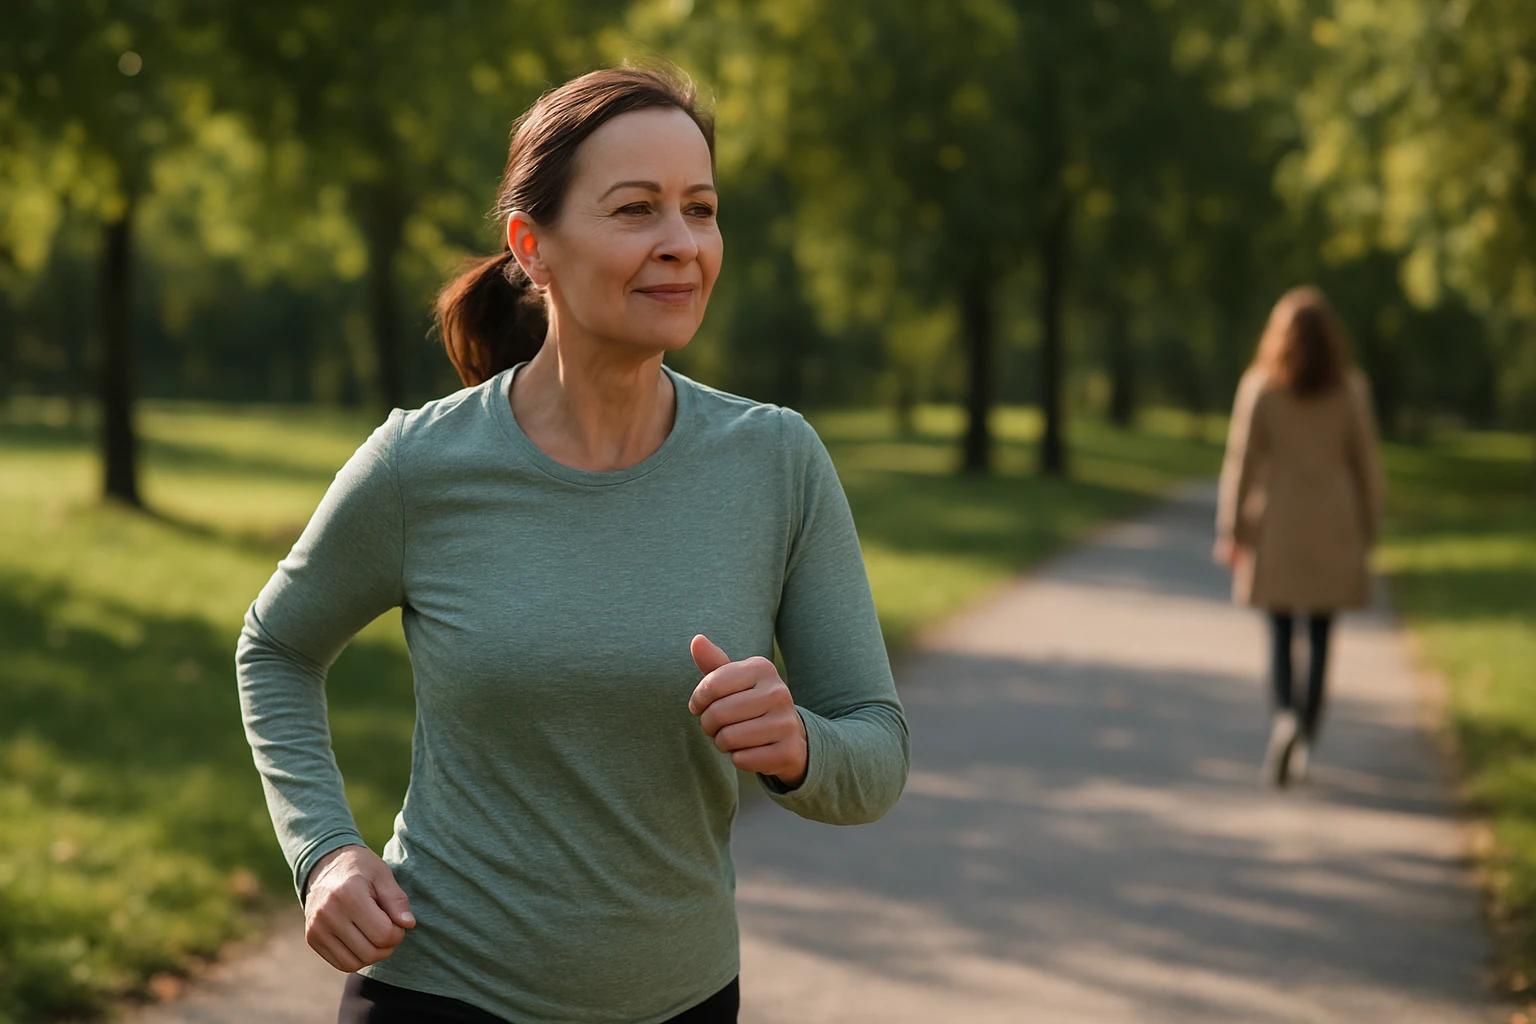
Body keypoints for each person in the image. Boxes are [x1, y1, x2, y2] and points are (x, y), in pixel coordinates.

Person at [235, 66, 909, 1024]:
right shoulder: (420, 465)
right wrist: (324, 851)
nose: (681, 245)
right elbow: (277, 646)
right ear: (532, 246)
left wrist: (798, 746)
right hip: (444, 995)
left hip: (684, 1002)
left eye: (701, 209)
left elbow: (875, 751)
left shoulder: (776, 460)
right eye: (635, 210)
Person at [1214, 286, 1384, 789]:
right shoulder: (1351, 390)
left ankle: (1285, 716)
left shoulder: (1260, 387)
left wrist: (1232, 530)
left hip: (1278, 526)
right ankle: (1306, 737)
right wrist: (1371, 524)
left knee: (1281, 633)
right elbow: (1367, 466)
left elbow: (1240, 463)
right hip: (1334, 525)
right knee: (1324, 636)